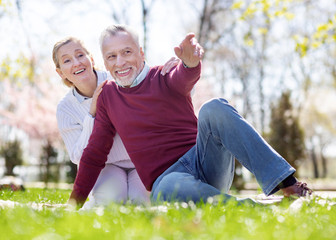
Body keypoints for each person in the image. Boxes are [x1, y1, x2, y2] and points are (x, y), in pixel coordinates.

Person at [68, 24, 312, 207]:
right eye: (112, 56)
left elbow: (183, 78)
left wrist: (190, 64)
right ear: (105, 62)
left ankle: (290, 188)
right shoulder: (108, 96)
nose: (120, 62)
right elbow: (95, 153)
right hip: (169, 180)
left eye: (127, 52)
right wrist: (74, 203)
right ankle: (258, 208)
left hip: (205, 161)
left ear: (141, 53)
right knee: (169, 188)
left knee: (213, 107)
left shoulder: (162, 75)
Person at [53, 36, 179, 208]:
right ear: (60, 72)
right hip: (106, 166)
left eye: (80, 55)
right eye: (67, 60)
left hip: (141, 160)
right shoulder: (66, 108)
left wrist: (171, 73)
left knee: (140, 203)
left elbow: (149, 85)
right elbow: (77, 157)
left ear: (91, 58)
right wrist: (92, 115)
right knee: (110, 203)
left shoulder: (118, 78)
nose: (76, 63)